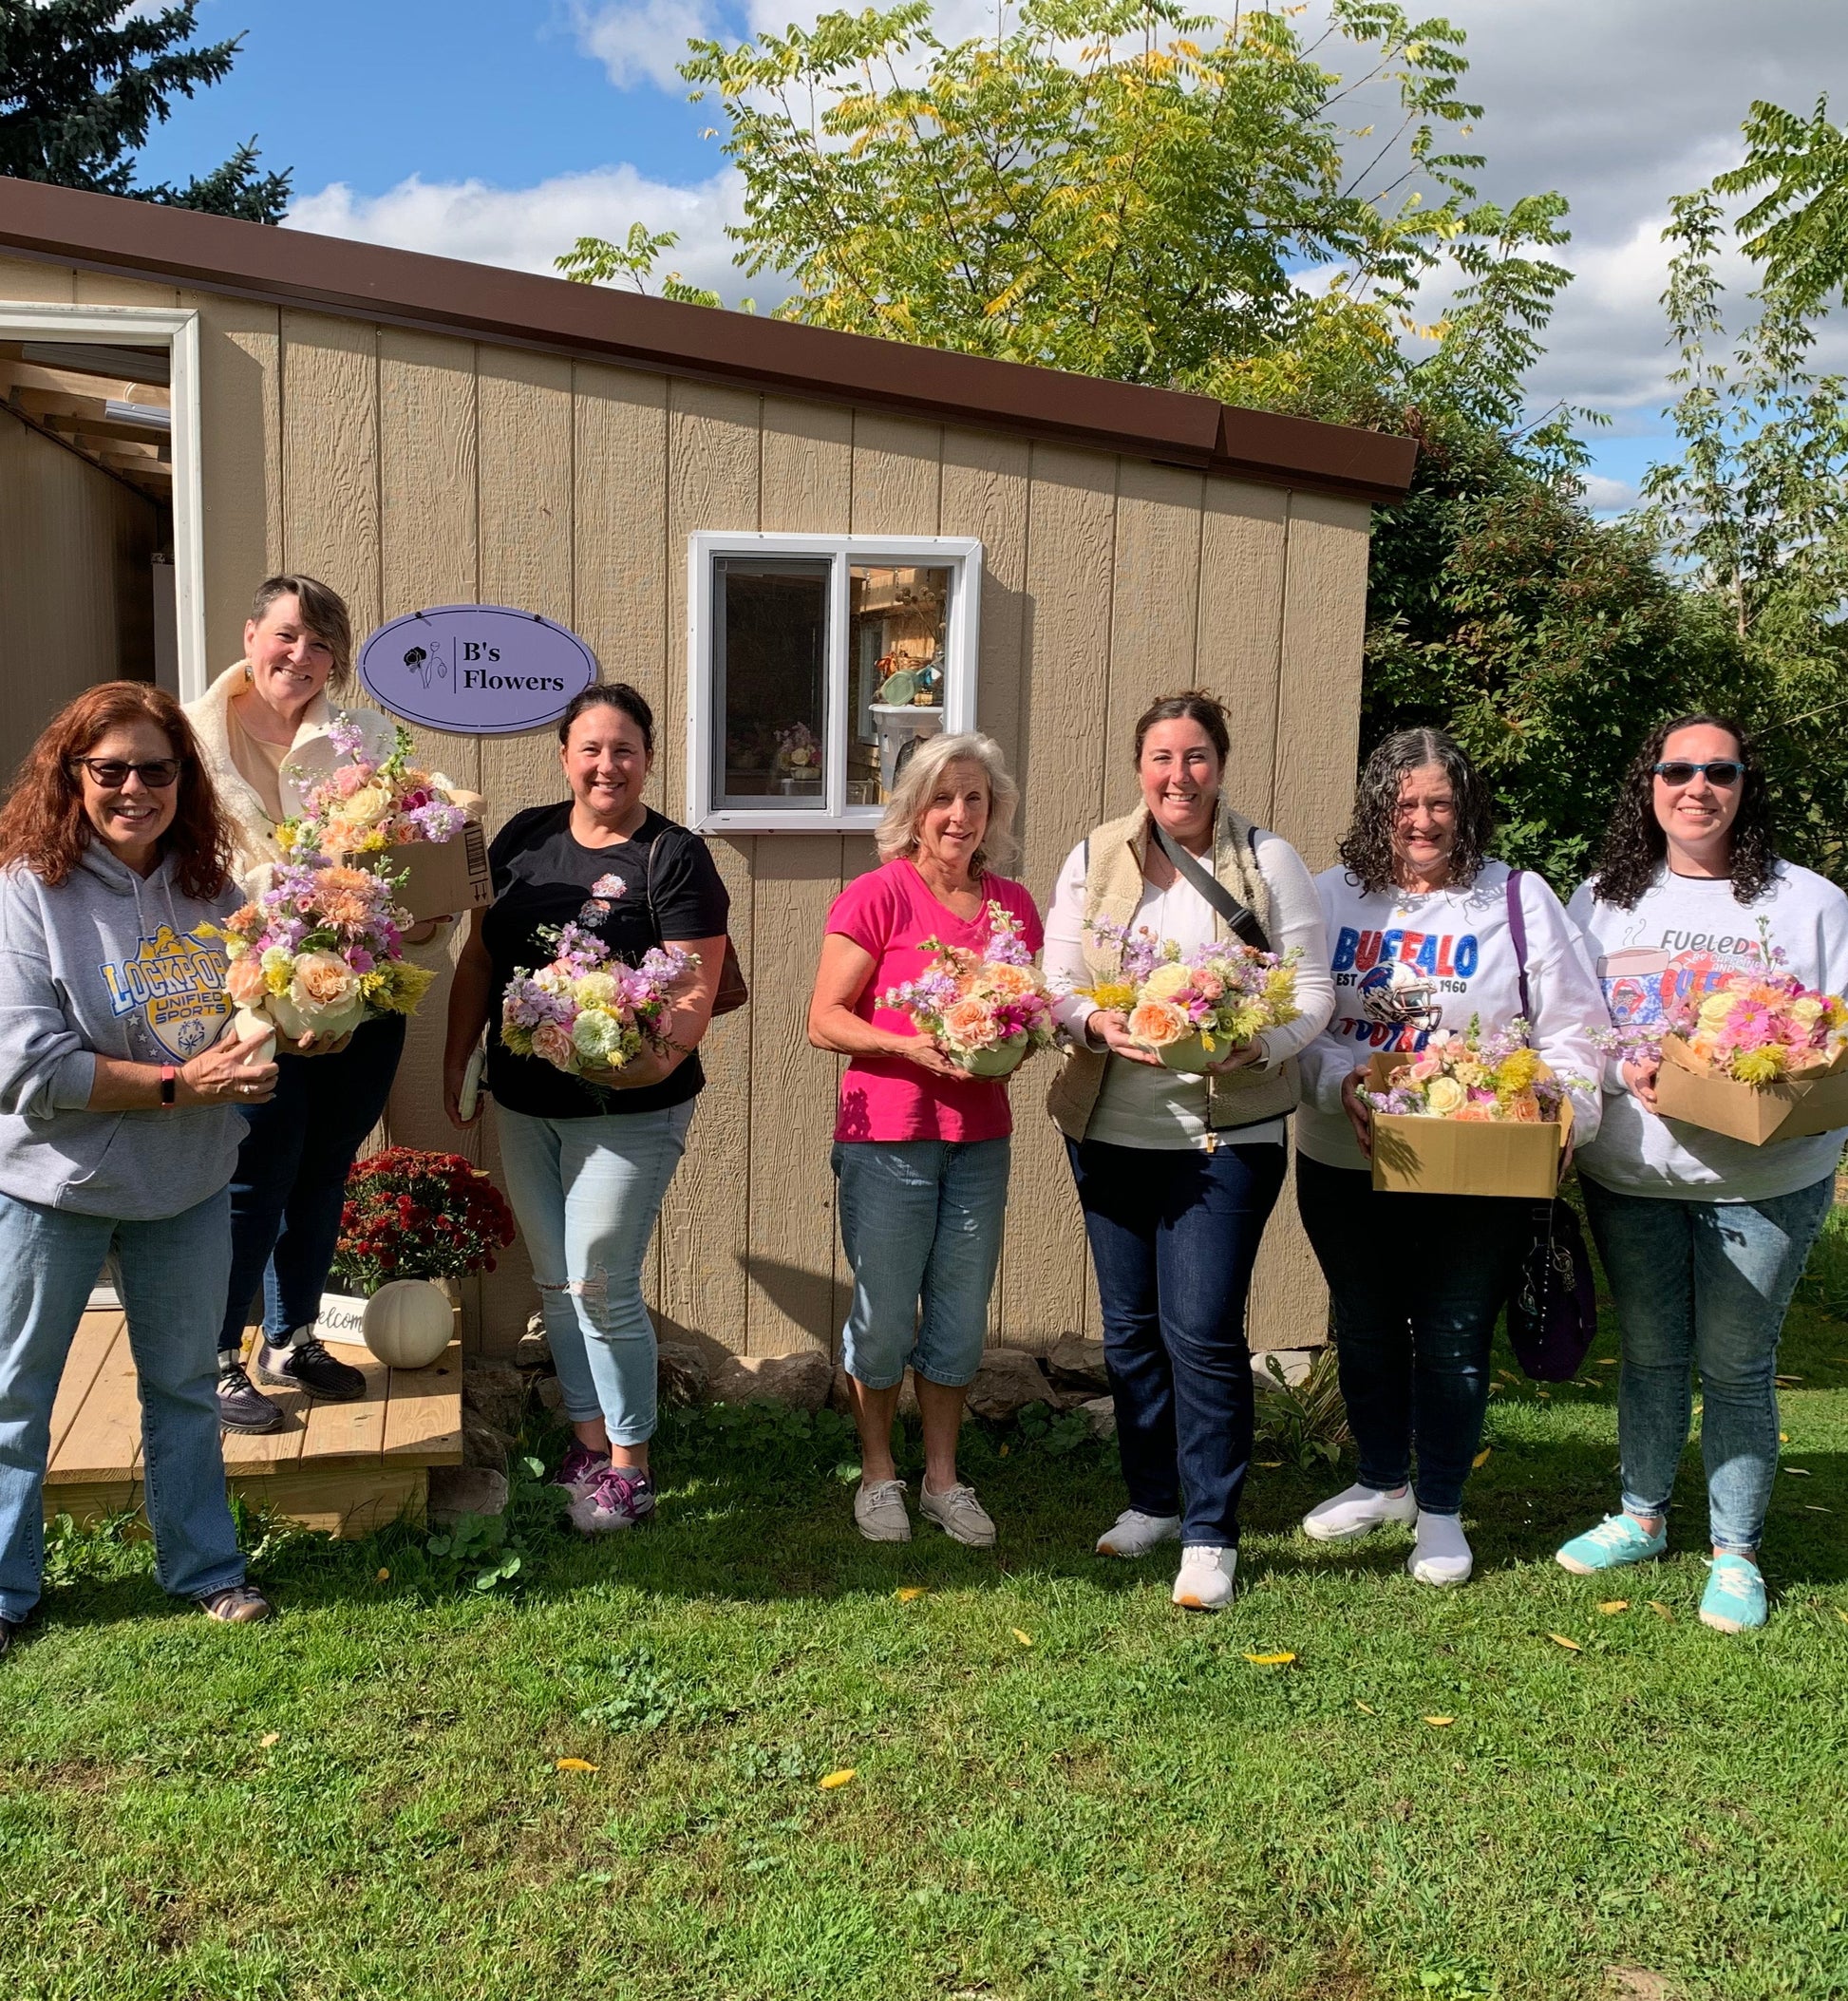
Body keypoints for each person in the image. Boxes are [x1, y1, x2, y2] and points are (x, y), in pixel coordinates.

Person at [0, 683, 280, 1656]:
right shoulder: (30, 889)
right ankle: (5, 1588)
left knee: (184, 1388)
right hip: (54, 1190)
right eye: (109, 768)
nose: (133, 787)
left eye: (155, 769)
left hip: (189, 1185)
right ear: (71, 775)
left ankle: (205, 1567)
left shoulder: (213, 887)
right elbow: (27, 1066)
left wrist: (294, 1030)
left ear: (181, 779)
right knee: (15, 1394)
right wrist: (176, 1085)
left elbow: (259, 1000)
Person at [1556, 715, 1848, 1633]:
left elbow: (1836, 1040)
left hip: (1764, 1178)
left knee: (1736, 1365)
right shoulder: (1602, 898)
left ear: (1743, 784)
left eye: (1718, 771)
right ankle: (1642, 1514)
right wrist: (1623, 1065)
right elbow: (1572, 1022)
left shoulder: (1809, 902)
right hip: (1634, 1174)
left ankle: (1735, 1551)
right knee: (1648, 1352)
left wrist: (1774, 1070)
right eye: (1677, 769)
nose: (1697, 787)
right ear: (1649, 784)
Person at [1293, 728, 1606, 1586]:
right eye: (1405, 804)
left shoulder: (1516, 898)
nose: (1422, 821)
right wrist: (1340, 1086)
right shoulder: (1329, 898)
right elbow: (1303, 1030)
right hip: (1346, 1158)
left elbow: (1576, 1027)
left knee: (1456, 1332)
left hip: (1478, 1164)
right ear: (1376, 809)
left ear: (1463, 807)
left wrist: (1564, 1105)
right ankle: (1380, 1480)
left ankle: (1439, 1508)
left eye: (1439, 802)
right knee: (1362, 1324)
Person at [1044, 690, 1334, 1611]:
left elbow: (1312, 989)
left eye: (1196, 756)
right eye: (1162, 757)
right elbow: (1054, 981)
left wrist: (1265, 1043)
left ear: (1220, 762)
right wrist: (1091, 1020)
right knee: (1129, 1334)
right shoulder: (1093, 857)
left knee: (1201, 1334)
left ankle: (1210, 1531)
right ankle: (1153, 1499)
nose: (1179, 774)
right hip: (1109, 1131)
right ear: (1140, 767)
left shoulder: (1266, 860)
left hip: (1226, 1135)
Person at [443, 684, 727, 1534]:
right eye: (592, 748)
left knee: (601, 1276)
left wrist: (645, 1065)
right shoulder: (523, 839)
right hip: (528, 1104)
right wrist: (458, 1057)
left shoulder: (673, 856)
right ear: (565, 755)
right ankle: (586, 1436)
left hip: (632, 1111)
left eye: (626, 749)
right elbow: (478, 961)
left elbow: (692, 990)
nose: (609, 764)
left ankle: (630, 1467)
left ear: (647, 757)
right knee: (557, 1283)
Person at [188, 576, 434, 1432]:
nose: (301, 656)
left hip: (360, 990)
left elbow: (409, 850)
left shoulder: (364, 737)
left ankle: (291, 1335)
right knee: (256, 1173)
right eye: (287, 635)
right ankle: (217, 1354)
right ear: (251, 632)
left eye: (321, 644)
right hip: (247, 993)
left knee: (327, 1163)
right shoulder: (189, 737)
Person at [807, 732, 1042, 1549]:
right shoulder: (878, 894)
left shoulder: (1014, 905)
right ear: (913, 809)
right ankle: (879, 1474)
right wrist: (909, 1045)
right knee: (881, 1318)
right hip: (889, 1136)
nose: (959, 814)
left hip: (979, 1138)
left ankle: (943, 1478)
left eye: (975, 798)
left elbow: (1025, 1009)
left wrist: (1018, 1036)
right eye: (943, 798)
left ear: (993, 811)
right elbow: (824, 1017)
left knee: (958, 1316)